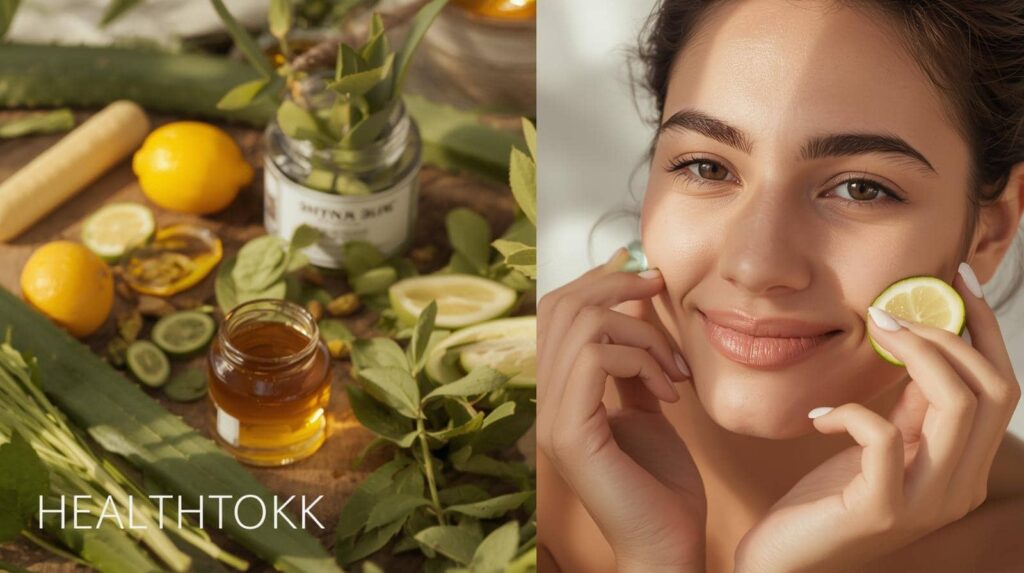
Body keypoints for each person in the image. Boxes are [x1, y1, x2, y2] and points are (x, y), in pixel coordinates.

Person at [536, 1, 1024, 571]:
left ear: (990, 232)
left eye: (861, 189)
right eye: (707, 167)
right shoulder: (522, 458)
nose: (756, 266)